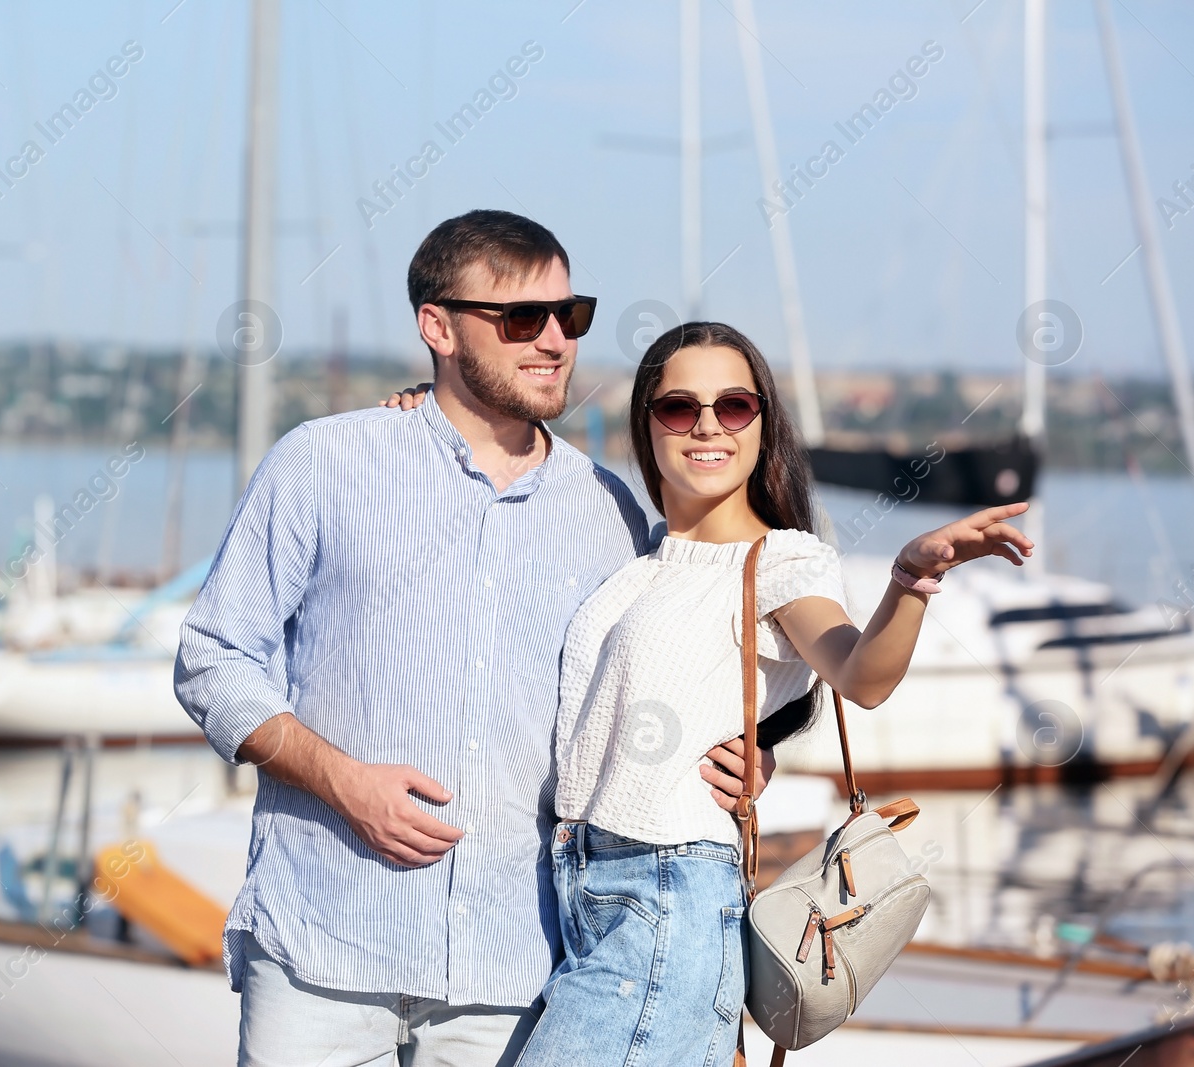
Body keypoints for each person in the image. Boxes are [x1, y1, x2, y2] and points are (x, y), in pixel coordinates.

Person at [174, 210, 770, 1067]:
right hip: (322, 951)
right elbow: (212, 658)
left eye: (572, 315)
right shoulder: (324, 464)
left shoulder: (613, 515)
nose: (556, 340)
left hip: (516, 975)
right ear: (437, 326)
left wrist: (746, 758)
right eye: (523, 319)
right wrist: (342, 780)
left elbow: (668, 695)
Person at [494, 321, 1030, 1066]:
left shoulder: (781, 560)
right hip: (580, 895)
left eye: (734, 405)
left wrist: (911, 580)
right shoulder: (640, 560)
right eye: (680, 407)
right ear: (647, 426)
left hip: (665, 904)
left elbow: (861, 673)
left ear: (762, 424)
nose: (708, 424)